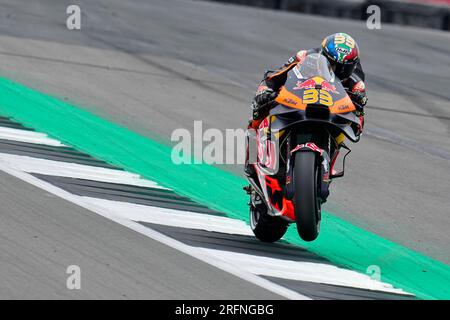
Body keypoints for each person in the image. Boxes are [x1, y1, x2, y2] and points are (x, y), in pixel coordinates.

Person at [245, 32, 367, 177]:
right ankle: (252, 158)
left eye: (343, 68)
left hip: (331, 109)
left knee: (350, 123)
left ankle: (327, 166)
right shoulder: (304, 56)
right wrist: (264, 92)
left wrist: (358, 106)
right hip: (300, 99)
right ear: (324, 55)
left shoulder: (357, 77)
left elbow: (359, 114)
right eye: (332, 65)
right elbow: (274, 78)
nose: (337, 71)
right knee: (258, 113)